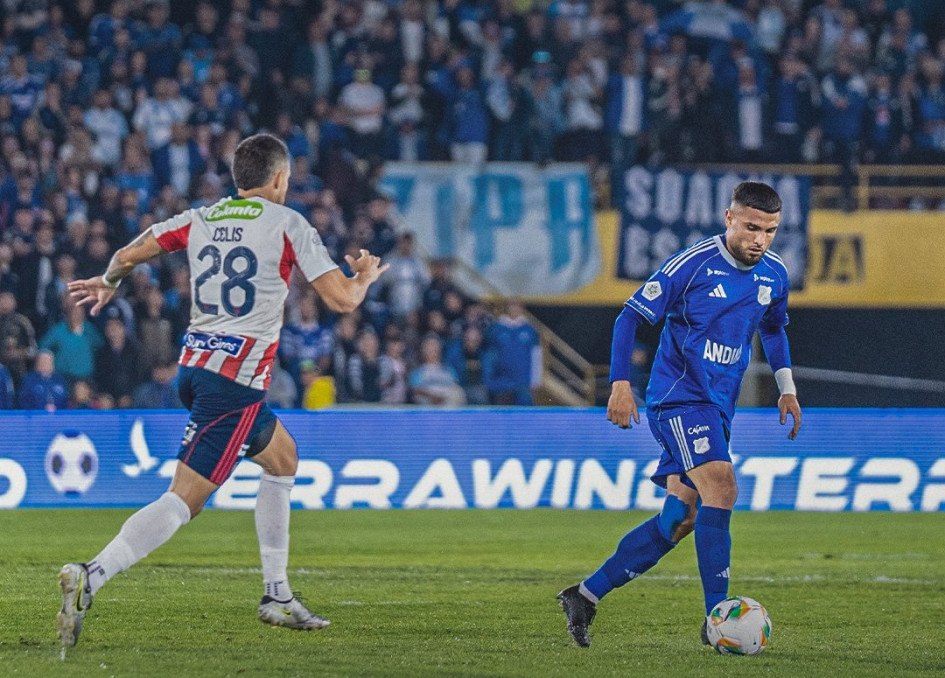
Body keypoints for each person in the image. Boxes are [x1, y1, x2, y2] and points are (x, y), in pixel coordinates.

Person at [58, 133, 388, 647]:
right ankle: (91, 575)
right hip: (233, 382)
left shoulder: (200, 218)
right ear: (280, 178)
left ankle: (277, 595)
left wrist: (108, 280)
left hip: (198, 369)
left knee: (283, 459)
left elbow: (130, 251)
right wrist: (364, 276)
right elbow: (343, 300)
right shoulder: (287, 223)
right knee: (184, 501)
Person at [557, 182, 802, 648]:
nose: (760, 239)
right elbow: (629, 316)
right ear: (729, 219)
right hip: (679, 397)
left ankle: (585, 595)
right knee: (722, 487)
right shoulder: (692, 267)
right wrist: (620, 384)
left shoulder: (774, 273)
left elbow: (774, 328)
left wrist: (786, 389)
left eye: (770, 230)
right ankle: (718, 622)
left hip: (718, 404)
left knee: (680, 518)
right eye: (751, 227)